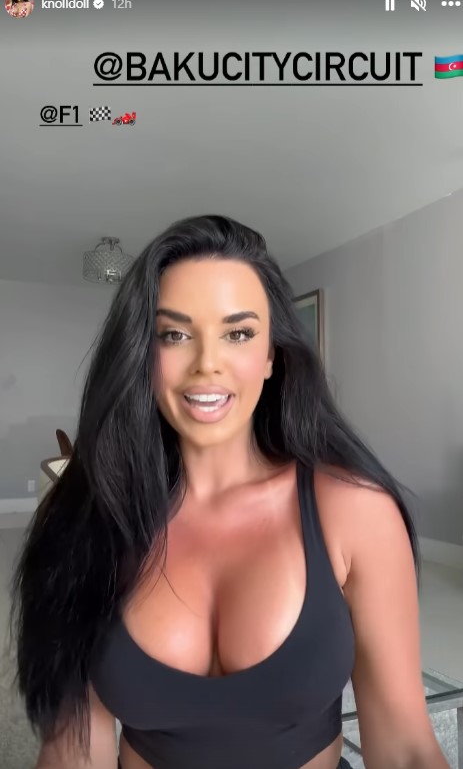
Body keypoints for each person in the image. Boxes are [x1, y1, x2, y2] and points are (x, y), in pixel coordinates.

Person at [7, 215, 449, 769]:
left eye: (238, 333)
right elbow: (74, 752)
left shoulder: (355, 511)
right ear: (142, 354)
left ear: (271, 356)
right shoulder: (84, 516)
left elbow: (405, 748)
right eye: (174, 334)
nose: (207, 364)